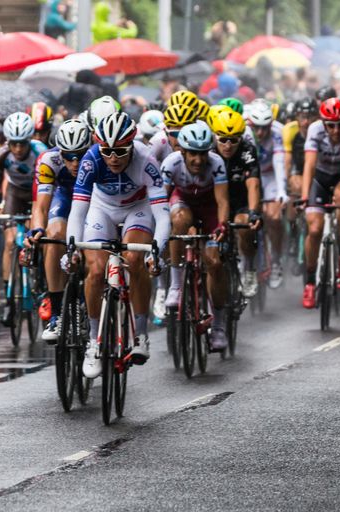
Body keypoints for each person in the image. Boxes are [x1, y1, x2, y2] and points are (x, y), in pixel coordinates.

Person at [66, 112, 169, 377]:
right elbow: (78, 212)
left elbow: (162, 215)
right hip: (102, 209)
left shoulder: (146, 161)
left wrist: (156, 251)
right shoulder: (91, 161)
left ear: (131, 145)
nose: (112, 157)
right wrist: (72, 247)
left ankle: (141, 334)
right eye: (107, 150)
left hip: (138, 208)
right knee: (96, 271)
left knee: (135, 260)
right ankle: (92, 341)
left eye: (120, 151)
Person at [161, 123, 231, 349]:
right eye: (193, 154)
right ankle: (177, 286)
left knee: (215, 263)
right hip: (183, 203)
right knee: (178, 221)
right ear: (182, 151)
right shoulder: (171, 163)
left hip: (209, 208)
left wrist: (221, 226)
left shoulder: (217, 163)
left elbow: (222, 201)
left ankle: (219, 327)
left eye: (202, 154)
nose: (198, 160)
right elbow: (161, 201)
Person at [27, 119, 91, 341]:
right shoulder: (48, 160)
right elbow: (41, 205)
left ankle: (90, 301)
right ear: (59, 151)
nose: (74, 162)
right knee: (53, 237)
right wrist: (36, 229)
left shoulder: (98, 156)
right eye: (68, 156)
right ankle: (56, 313)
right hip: (64, 196)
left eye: (80, 155)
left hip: (94, 199)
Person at [298, 98, 340, 309]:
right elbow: (309, 164)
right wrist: (305, 196)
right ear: (323, 123)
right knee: (314, 229)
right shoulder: (315, 130)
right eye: (331, 125)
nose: (336, 130)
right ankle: (309, 282)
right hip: (320, 177)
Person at [0, 112, 48, 325]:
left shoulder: (41, 152)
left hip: (36, 194)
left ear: (30, 140)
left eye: (22, 144)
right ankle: (8, 300)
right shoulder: (2, 153)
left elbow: (50, 186)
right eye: (14, 144)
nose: (18, 149)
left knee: (36, 238)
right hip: (14, 194)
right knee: (11, 242)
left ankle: (40, 281)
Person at [209, 108, 262, 298]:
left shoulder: (247, 150)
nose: (228, 145)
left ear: (241, 138)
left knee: (244, 225)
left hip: (240, 200)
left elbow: (253, 185)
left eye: (234, 139)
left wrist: (254, 212)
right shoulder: (207, 150)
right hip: (215, 202)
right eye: (223, 139)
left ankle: (249, 268)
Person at [245, 101, 287, 289]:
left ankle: (276, 261)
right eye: (257, 128)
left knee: (274, 217)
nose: (260, 133)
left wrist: (281, 191)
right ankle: (245, 264)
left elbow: (279, 163)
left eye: (265, 128)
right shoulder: (245, 132)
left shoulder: (278, 133)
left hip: (269, 175)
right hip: (250, 174)